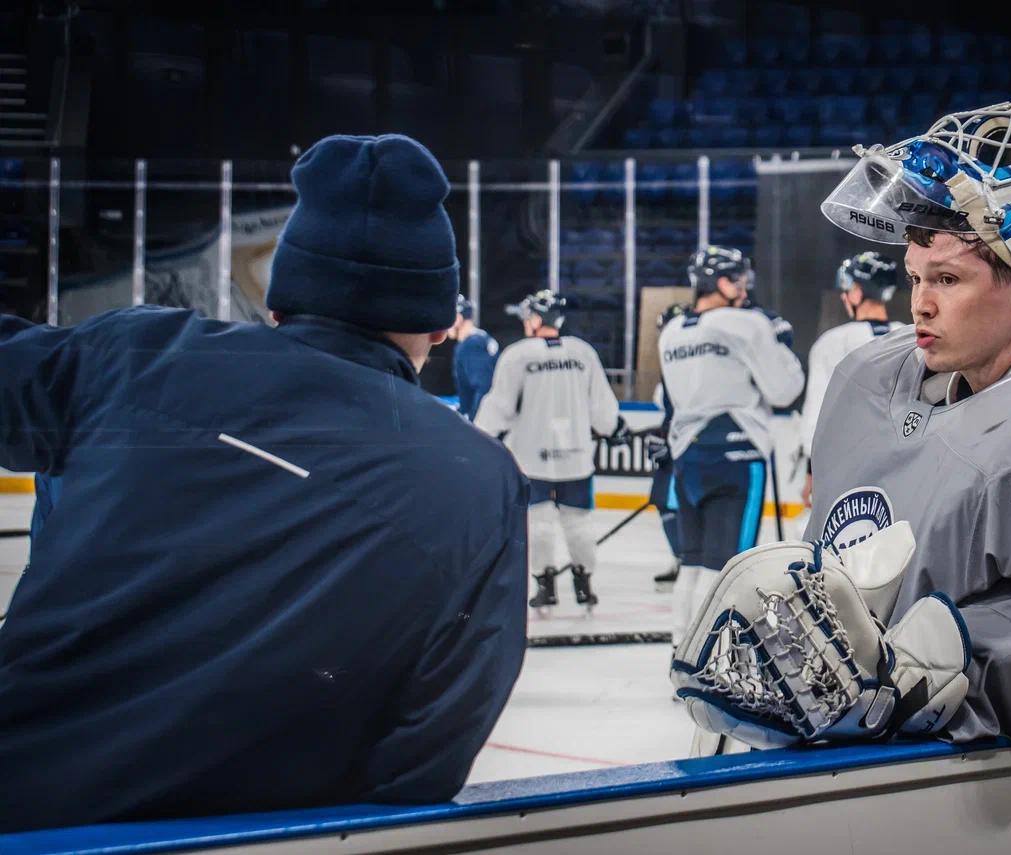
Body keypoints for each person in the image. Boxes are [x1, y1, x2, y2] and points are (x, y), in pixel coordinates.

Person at [0, 134, 529, 832]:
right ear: (437, 325)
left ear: (279, 302)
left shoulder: (131, 355)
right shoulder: (481, 483)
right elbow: (426, 756)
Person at [673, 103, 1011, 753]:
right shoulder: (864, 378)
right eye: (914, 277)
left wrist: (902, 685)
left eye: (947, 279)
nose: (919, 303)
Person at [659, 245, 805, 645]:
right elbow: (784, 389)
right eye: (738, 279)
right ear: (721, 281)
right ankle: (709, 656)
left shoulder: (673, 332)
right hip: (737, 459)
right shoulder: (747, 324)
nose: (744, 287)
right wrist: (781, 346)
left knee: (691, 564)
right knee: (724, 566)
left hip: (687, 457)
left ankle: (680, 650)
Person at [475, 290, 626, 611]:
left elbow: (499, 405)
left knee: (539, 523)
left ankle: (546, 586)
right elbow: (601, 405)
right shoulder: (582, 353)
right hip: (576, 456)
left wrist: (480, 436)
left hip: (530, 456)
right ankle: (584, 584)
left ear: (534, 318)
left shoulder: (517, 355)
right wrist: (613, 428)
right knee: (579, 523)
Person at [799, 252, 905, 506]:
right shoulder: (908, 336)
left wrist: (811, 471)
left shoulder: (833, 342)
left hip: (846, 462)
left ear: (856, 291)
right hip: (901, 460)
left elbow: (816, 412)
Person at [648, 302, 690, 591]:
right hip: (677, 446)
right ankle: (681, 559)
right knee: (664, 502)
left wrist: (670, 440)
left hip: (687, 448)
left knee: (677, 505)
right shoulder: (672, 363)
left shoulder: (687, 363)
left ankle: (687, 561)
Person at [449, 293, 498, 420]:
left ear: (458, 318)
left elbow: (483, 386)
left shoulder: (471, 344)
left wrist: (475, 422)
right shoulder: (480, 338)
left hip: (483, 422)